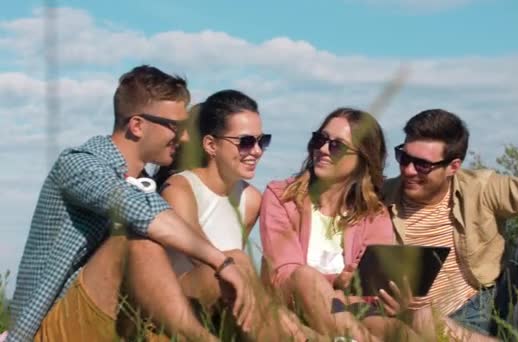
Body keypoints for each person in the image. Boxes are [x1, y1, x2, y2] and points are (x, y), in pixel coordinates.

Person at [8, 65, 254, 341]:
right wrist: (221, 263)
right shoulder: (79, 165)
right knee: (135, 237)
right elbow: (144, 214)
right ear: (137, 125)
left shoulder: (145, 183)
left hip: (120, 321)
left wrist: (226, 271)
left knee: (237, 261)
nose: (184, 137)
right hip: (52, 328)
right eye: (176, 126)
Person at [380, 109, 518, 341]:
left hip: (500, 302)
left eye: (422, 165)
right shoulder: (379, 199)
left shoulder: (480, 187)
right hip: (436, 324)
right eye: (404, 157)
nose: (408, 170)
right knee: (419, 318)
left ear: (453, 167)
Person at [158, 89, 311, 340]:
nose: (257, 151)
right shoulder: (179, 188)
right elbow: (201, 255)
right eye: (246, 142)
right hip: (177, 303)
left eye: (263, 141)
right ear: (210, 145)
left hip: (224, 305)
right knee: (236, 260)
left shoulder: (250, 199)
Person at [260, 108, 421, 341]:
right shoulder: (281, 197)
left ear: (361, 159)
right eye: (320, 139)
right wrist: (337, 282)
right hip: (292, 303)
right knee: (305, 276)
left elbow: (370, 289)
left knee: (398, 332)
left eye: (337, 146)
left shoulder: (373, 214)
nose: (323, 149)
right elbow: (285, 272)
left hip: (351, 308)